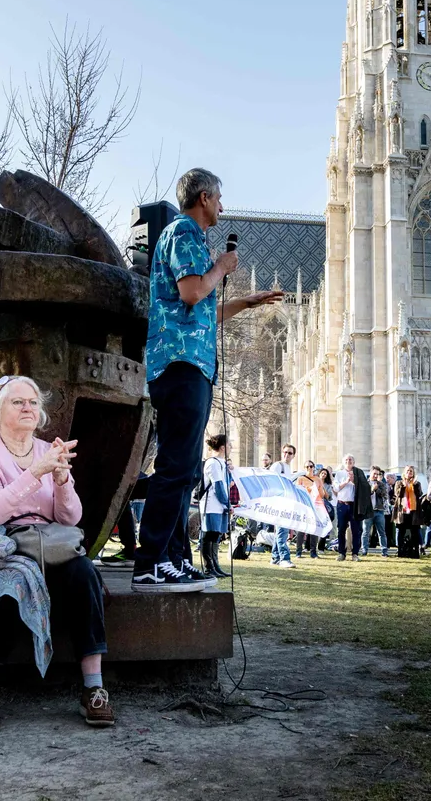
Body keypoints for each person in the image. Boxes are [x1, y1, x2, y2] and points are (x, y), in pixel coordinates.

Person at [134, 168, 282, 593]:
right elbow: (192, 293)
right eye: (219, 197)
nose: (222, 205)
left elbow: (203, 312)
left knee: (184, 470)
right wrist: (223, 265)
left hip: (191, 362)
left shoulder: (190, 239)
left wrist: (245, 302)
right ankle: (151, 563)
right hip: (180, 365)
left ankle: (173, 560)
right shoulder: (182, 232)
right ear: (203, 197)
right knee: (175, 467)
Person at [0, 375, 113, 732]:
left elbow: (70, 518)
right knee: (13, 577)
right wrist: (37, 472)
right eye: (17, 402)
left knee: (84, 572)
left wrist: (60, 481)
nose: (28, 408)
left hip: (43, 546)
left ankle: (94, 687)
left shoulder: (45, 449)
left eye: (33, 402)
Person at [198, 434, 232, 579]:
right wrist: (227, 503)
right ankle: (208, 567)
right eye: (229, 445)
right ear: (223, 447)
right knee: (209, 534)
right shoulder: (212, 463)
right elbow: (217, 486)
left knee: (216, 534)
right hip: (211, 504)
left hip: (219, 505)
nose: (231, 448)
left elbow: (226, 483)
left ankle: (215, 565)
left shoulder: (222, 463)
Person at [333, 454, 372, 562]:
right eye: (346, 460)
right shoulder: (339, 474)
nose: (348, 461)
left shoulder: (358, 473)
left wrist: (355, 481)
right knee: (341, 530)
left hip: (354, 506)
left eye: (350, 460)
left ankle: (355, 553)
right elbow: (336, 488)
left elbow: (366, 487)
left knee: (356, 530)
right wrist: (346, 481)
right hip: (342, 505)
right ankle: (342, 553)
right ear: (343, 462)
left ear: (354, 462)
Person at [265, 444, 298, 568]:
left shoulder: (288, 468)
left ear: (293, 455)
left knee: (281, 530)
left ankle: (275, 557)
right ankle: (284, 558)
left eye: (289, 453)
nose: (287, 455)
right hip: (279, 502)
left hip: (286, 502)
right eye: (285, 452)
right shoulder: (278, 466)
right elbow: (271, 482)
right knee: (282, 531)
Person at [392, 466, 424, 559]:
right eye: (407, 471)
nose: (409, 472)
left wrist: (413, 485)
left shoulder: (417, 483)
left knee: (415, 532)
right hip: (402, 511)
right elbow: (398, 494)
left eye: (411, 471)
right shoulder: (399, 483)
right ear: (404, 473)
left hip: (414, 512)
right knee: (401, 532)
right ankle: (401, 552)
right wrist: (404, 486)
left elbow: (419, 494)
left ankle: (415, 552)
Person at [362, 466, 391, 557]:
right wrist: (372, 490)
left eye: (377, 474)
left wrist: (377, 489)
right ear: (370, 473)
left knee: (381, 532)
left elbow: (384, 495)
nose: (375, 475)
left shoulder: (381, 484)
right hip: (368, 511)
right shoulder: (365, 483)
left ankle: (384, 551)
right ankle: (364, 550)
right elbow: (363, 496)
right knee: (366, 532)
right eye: (374, 473)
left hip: (379, 511)